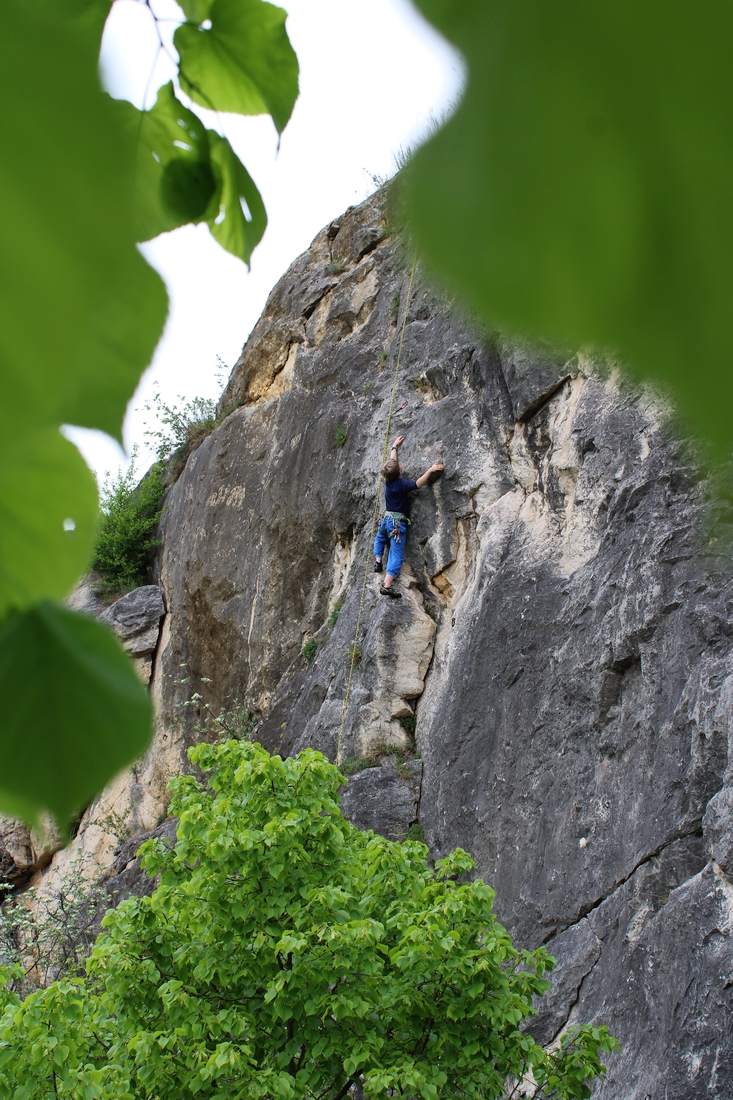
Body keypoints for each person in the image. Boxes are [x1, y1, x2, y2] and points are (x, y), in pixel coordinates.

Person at [373, 435, 444, 599]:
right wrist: (430, 470)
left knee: (380, 539)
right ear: (400, 471)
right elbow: (418, 484)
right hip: (396, 525)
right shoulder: (402, 484)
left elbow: (391, 466)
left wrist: (394, 447)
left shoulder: (388, 481)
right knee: (396, 554)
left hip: (385, 521)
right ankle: (387, 585)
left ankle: (378, 560)